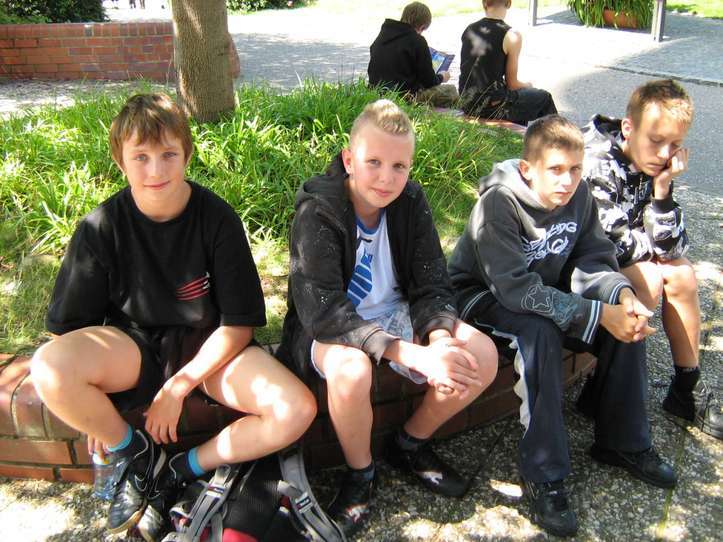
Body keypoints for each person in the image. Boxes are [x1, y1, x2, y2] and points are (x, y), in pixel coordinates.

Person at [30, 94, 317, 542]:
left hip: (210, 347)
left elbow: (238, 324)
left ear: (187, 153)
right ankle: (137, 454)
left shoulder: (217, 218)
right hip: (134, 348)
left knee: (296, 409)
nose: (156, 170)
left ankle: (181, 469)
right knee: (48, 367)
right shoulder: (100, 227)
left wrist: (179, 386)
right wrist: (97, 417)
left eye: (168, 154)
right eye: (140, 157)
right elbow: (67, 333)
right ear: (120, 161)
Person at [277, 99, 498, 537]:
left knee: (483, 355)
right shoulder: (318, 211)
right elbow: (323, 311)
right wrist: (411, 355)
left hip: (395, 312)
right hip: (332, 326)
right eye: (373, 162)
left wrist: (439, 340)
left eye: (399, 166)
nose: (386, 178)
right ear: (349, 160)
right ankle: (361, 473)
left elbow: (432, 281)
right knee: (352, 371)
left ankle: (409, 443)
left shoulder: (410, 200)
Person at [448, 115, 676, 537]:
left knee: (623, 317)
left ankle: (623, 441)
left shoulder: (579, 194)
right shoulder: (498, 204)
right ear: (527, 169)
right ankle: (544, 473)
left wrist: (621, 296)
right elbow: (514, 290)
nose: (567, 180)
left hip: (542, 289)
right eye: (555, 169)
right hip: (482, 296)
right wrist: (594, 314)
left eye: (575, 169)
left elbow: (593, 257)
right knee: (540, 333)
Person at [582, 79, 721, 441]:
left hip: (620, 260)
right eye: (656, 140)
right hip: (582, 266)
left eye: (674, 144)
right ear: (628, 127)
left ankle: (685, 387)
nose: (664, 154)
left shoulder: (655, 166)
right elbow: (616, 245)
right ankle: (605, 384)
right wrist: (654, 244)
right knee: (651, 275)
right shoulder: (596, 162)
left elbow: (673, 248)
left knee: (683, 273)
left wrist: (662, 194)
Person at [458, 0, 556, 125]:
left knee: (518, 99)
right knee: (544, 98)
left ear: (484, 3)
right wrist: (528, 85)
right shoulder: (512, 35)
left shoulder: (469, 28)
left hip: (466, 102)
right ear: (509, 3)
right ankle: (558, 136)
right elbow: (513, 84)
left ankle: (519, 134)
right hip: (489, 106)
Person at [368, 2, 459, 107]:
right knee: (451, 91)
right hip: (404, 97)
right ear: (422, 27)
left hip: (377, 94)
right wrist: (442, 77)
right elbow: (429, 82)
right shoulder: (417, 40)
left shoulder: (382, 36)